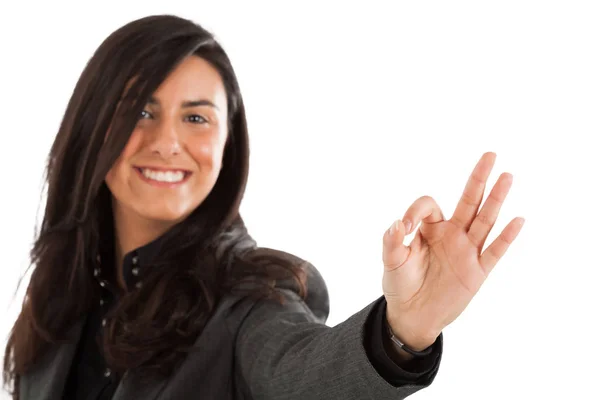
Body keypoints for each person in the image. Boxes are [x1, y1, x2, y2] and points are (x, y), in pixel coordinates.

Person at [2, 14, 524, 400]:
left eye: (196, 118)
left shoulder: (252, 296)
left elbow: (305, 376)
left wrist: (402, 332)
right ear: (92, 127)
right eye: (141, 110)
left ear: (228, 145)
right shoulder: (58, 300)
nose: (166, 142)